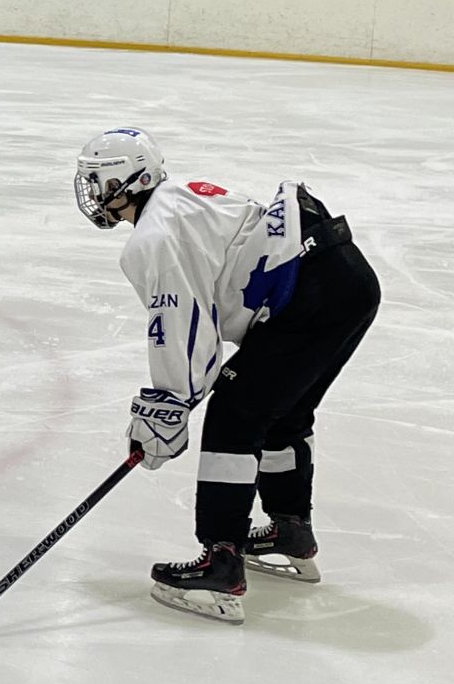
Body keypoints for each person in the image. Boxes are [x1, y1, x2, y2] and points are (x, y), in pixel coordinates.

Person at [75, 129, 381, 624]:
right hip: (347, 279)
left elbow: (183, 322)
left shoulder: (153, 237)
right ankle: (289, 531)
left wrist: (170, 402)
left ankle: (222, 561)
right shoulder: (180, 196)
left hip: (310, 299)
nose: (89, 193)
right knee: (280, 412)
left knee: (235, 414)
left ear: (121, 180)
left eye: (95, 181)